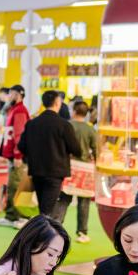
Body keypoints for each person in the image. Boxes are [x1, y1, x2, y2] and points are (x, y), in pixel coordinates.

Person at [18, 90, 81, 221]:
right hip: (56, 172)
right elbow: (76, 149)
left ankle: (43, 230)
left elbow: (21, 146)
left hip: (36, 170)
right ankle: (44, 232)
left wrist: (33, 156)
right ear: (57, 103)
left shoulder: (32, 123)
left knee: (43, 206)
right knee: (47, 210)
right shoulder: (64, 125)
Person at [0, 84, 31, 228]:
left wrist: (17, 155)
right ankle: (11, 216)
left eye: (11, 94)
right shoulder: (14, 110)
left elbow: (19, 135)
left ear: (18, 95)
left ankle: (19, 217)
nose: (8, 96)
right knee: (12, 186)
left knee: (16, 186)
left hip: (17, 157)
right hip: (13, 155)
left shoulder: (20, 111)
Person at [68, 100, 97, 243]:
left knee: (63, 199)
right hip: (85, 168)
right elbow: (96, 148)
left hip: (68, 166)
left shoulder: (67, 125)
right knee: (84, 200)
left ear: (74, 111)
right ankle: (82, 232)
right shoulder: (90, 129)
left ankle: (55, 225)